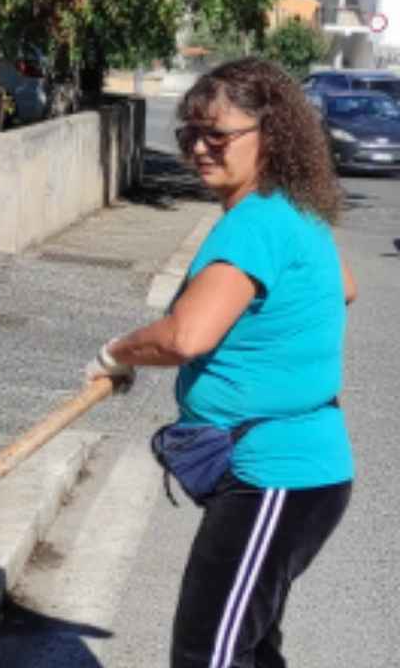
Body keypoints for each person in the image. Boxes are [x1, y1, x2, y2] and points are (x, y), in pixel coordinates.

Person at [85, 57, 357, 668]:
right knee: (250, 648)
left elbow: (185, 337)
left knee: (209, 652)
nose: (200, 148)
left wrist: (115, 353)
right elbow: (343, 286)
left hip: (275, 475)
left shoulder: (255, 224)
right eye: (190, 134)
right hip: (297, 475)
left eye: (218, 135)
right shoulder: (295, 211)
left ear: (272, 134)